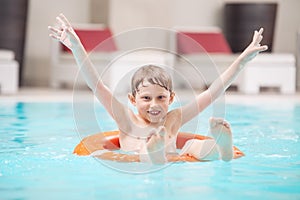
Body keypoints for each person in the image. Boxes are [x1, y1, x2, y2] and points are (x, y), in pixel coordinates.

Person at [48, 13, 268, 164]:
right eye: (146, 98)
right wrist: (77, 47)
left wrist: (241, 61)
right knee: (147, 148)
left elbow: (213, 92)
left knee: (193, 145)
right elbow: (96, 84)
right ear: (132, 100)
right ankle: (154, 151)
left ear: (171, 98)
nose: (154, 104)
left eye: (160, 97)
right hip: (142, 159)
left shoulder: (174, 118)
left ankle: (222, 150)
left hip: (165, 160)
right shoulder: (125, 118)